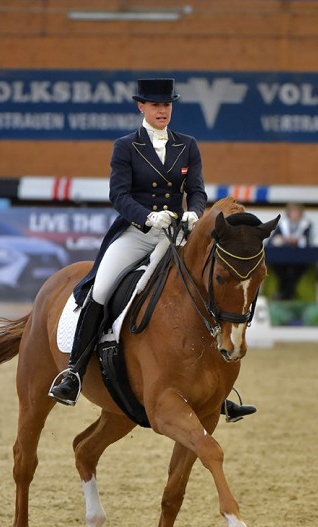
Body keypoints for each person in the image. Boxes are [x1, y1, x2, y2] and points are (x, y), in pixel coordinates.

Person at [49, 78, 255, 422]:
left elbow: (197, 189)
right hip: (137, 233)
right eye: (156, 105)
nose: (163, 111)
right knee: (100, 289)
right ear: (141, 107)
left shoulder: (187, 145)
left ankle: (217, 391)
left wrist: (195, 211)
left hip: (176, 236)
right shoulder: (126, 146)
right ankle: (73, 372)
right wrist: (146, 216)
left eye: (167, 105)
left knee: (204, 291)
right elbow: (119, 195)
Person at [268, 202, 313, 300]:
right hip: (282, 257)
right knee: (280, 269)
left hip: (301, 257)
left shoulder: (306, 224)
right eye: (292, 212)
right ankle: (287, 293)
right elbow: (272, 241)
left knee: (296, 271)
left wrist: (297, 241)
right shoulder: (282, 224)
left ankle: (285, 293)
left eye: (297, 212)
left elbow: (309, 242)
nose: (294, 214)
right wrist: (283, 240)